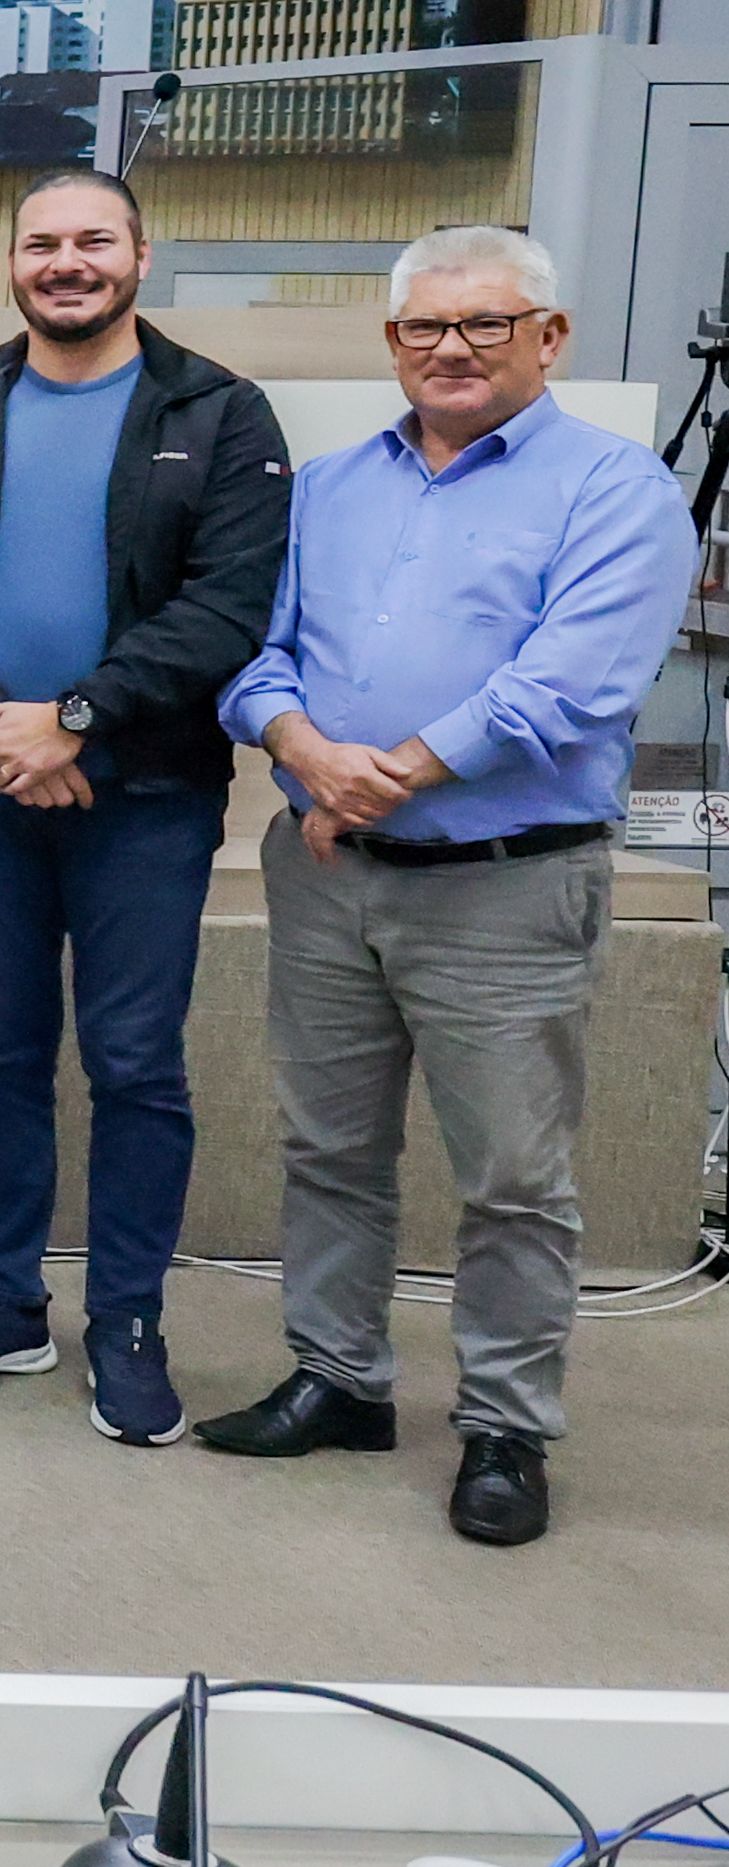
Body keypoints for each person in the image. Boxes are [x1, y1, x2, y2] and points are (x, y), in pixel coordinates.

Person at [204, 226, 682, 1550]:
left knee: (514, 1178)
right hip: (325, 875)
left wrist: (392, 772)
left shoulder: (613, 489)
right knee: (328, 1148)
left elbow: (568, 683)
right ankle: (339, 1377)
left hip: (503, 888)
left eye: (483, 324)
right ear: (391, 343)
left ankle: (504, 1428)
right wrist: (299, 751)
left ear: (549, 337)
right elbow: (256, 655)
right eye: (424, 327)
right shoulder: (328, 487)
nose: (451, 349)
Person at [0, 167, 288, 1441]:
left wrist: (78, 718)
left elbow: (228, 605)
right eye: (42, 243)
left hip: (143, 795)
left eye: (93, 240)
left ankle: (130, 1321)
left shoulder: (218, 410)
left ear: (139, 258)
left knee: (136, 1063)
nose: (67, 262)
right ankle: (1, 1301)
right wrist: (8, 735)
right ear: (13, 263)